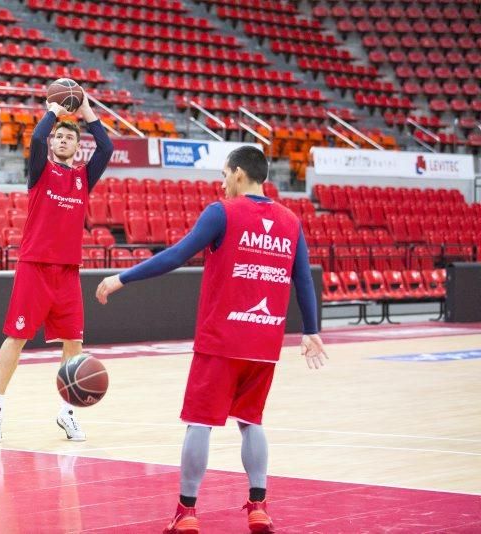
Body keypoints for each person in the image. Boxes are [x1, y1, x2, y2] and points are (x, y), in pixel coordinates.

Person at [95, 146, 327, 534]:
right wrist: (311, 330)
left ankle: (187, 512)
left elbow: (176, 255)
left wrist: (122, 278)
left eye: (224, 173)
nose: (221, 182)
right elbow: (302, 278)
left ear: (239, 174)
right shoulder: (290, 220)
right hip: (264, 342)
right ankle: (259, 507)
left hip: (221, 340)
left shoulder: (222, 211)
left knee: (199, 423)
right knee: (251, 421)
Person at [0, 93, 113, 443]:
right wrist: (56, 108)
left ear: (77, 145)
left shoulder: (84, 177)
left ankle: (67, 412)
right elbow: (37, 137)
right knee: (17, 337)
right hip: (35, 267)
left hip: (68, 272)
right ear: (53, 143)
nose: (63, 139)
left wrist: (86, 111)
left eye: (70, 137)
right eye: (60, 136)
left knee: (75, 343)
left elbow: (107, 148)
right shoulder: (41, 170)